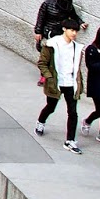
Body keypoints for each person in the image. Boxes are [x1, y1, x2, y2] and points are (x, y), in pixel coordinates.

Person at [36, 19, 85, 152]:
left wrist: (79, 83)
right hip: (56, 83)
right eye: (71, 30)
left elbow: (77, 68)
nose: (74, 33)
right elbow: (42, 63)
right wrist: (49, 77)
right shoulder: (52, 44)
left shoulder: (77, 47)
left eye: (76, 31)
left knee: (73, 112)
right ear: (64, 29)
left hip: (71, 83)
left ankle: (70, 141)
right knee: (51, 107)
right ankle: (41, 121)